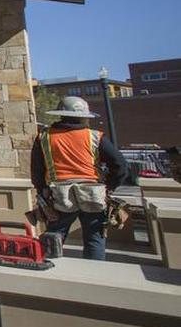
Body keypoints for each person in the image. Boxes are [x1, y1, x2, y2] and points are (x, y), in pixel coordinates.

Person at [29, 96, 127, 260]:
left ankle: (49, 267)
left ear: (61, 115)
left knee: (55, 235)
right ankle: (94, 272)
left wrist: (42, 192)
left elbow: (37, 170)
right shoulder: (95, 136)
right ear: (83, 117)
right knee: (94, 238)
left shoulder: (44, 137)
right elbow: (120, 165)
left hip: (60, 194)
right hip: (93, 193)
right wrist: (109, 187)